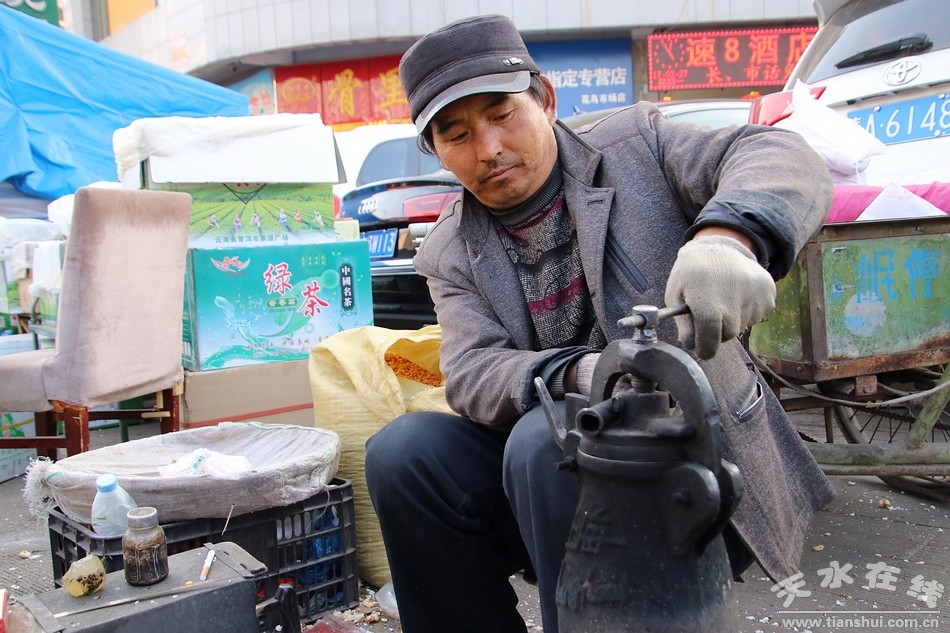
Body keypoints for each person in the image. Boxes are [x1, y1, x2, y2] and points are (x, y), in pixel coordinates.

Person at [364, 14, 835, 633]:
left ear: (545, 99)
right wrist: (588, 374)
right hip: (540, 485)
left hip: (690, 460)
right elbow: (473, 372)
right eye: (457, 135)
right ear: (437, 150)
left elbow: (778, 153)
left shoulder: (638, 146)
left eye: (503, 115)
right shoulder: (448, 250)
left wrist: (728, 238)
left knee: (545, 441)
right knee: (404, 453)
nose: (489, 149)